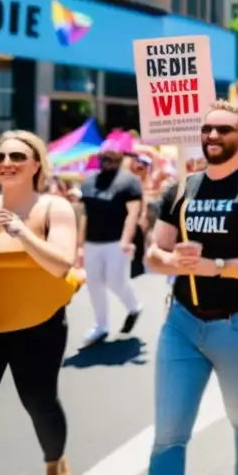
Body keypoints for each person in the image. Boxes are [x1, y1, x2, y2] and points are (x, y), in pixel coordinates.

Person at [145, 101, 238, 475]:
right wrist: (172, 259)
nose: (212, 136)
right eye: (207, 129)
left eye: (223, 129)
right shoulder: (181, 189)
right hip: (182, 326)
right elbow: (153, 255)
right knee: (168, 434)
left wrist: (218, 265)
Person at [0, 131, 80, 475]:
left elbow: (61, 264)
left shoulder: (53, 207)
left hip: (39, 324)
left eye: (16, 156)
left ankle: (54, 464)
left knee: (39, 401)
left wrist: (20, 232)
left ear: (36, 165)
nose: (6, 162)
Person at [78, 144, 143, 345]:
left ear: (121, 158)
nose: (108, 162)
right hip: (92, 242)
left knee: (115, 281)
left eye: (113, 159)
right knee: (94, 284)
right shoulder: (88, 183)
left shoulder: (129, 182)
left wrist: (126, 239)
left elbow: (133, 214)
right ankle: (101, 326)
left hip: (116, 241)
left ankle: (134, 307)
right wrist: (79, 245)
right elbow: (84, 216)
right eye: (105, 158)